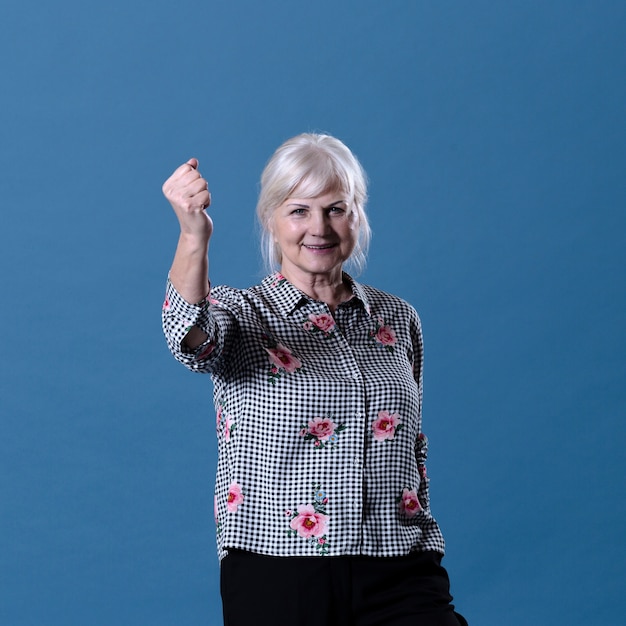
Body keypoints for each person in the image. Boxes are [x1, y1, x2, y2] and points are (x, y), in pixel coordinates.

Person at [162, 133, 468, 626]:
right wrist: (193, 235)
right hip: (278, 569)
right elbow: (189, 337)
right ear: (272, 220)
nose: (319, 227)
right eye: (299, 210)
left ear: (357, 217)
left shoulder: (397, 318)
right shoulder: (242, 314)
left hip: (399, 563)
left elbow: (412, 445)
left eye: (336, 209)